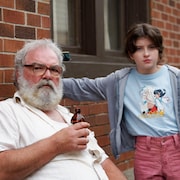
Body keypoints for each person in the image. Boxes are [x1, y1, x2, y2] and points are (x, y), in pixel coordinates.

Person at [63, 23, 180, 179]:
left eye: (151, 47)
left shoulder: (175, 77)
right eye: (139, 48)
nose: (146, 53)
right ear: (131, 54)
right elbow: (85, 87)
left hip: (176, 148)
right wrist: (52, 82)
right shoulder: (119, 81)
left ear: (158, 50)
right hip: (145, 151)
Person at [0, 39, 127, 180]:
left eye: (54, 70)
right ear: (19, 73)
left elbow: (103, 162)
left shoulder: (69, 116)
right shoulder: (8, 111)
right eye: (38, 67)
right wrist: (57, 144)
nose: (47, 75)